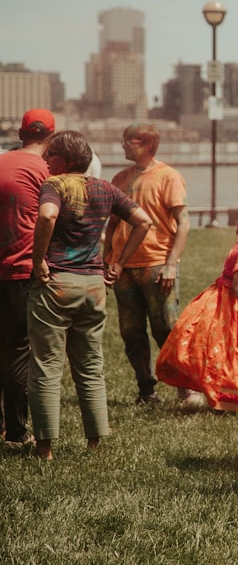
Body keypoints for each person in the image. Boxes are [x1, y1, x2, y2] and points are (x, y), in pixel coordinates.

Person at [27, 131, 152, 460]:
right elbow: (143, 220)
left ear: (65, 161)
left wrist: (38, 260)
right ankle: (95, 443)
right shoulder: (106, 188)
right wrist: (119, 264)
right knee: (91, 365)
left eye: (50, 154)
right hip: (94, 286)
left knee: (47, 366)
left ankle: (45, 448)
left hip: (56, 284)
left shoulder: (55, 185)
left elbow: (47, 215)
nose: (45, 159)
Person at [104, 122, 191, 404]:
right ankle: (146, 389)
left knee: (164, 327)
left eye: (129, 140)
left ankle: (184, 387)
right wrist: (108, 258)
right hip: (123, 269)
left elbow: (183, 223)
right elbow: (113, 223)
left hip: (156, 264)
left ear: (147, 144)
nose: (124, 145)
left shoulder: (168, 177)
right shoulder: (120, 178)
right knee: (130, 331)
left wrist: (171, 264)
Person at [155, 203, 238, 411]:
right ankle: (229, 400)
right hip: (233, 303)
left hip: (235, 300)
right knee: (233, 350)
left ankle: (227, 396)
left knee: (232, 349)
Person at [0, 109, 53, 450]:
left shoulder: (2, 160)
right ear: (50, 138)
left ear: (20, 134)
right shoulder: (47, 171)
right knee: (19, 351)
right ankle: (18, 434)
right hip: (22, 269)